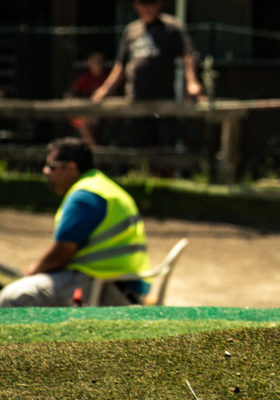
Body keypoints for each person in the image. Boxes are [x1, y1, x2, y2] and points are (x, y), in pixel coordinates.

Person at [0, 137, 151, 307]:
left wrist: (33, 271)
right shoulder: (101, 186)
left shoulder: (85, 196)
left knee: (12, 298)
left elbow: (60, 253)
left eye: (51, 166)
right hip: (123, 284)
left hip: (104, 286)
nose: (45, 171)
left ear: (71, 167)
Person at [91, 0, 203, 148]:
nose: (148, 8)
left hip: (164, 97)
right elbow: (120, 65)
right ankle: (142, 171)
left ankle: (167, 171)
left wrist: (192, 82)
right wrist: (105, 89)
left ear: (159, 4)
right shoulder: (131, 30)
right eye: (143, 3)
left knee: (166, 142)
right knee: (139, 143)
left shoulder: (171, 26)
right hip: (136, 97)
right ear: (136, 5)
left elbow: (187, 55)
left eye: (152, 3)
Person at [66, 52, 109, 148]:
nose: (97, 64)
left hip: (104, 113)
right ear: (88, 63)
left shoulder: (108, 79)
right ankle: (95, 150)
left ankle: (95, 153)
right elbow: (71, 95)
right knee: (83, 124)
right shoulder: (84, 78)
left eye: (100, 61)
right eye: (94, 61)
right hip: (86, 113)